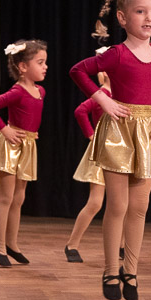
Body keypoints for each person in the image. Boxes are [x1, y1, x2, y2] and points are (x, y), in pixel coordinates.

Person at [69, 0, 151, 300]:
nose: (149, 18)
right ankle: (110, 270)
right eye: (140, 11)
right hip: (119, 132)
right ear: (122, 17)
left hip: (148, 131)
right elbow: (78, 71)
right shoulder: (116, 54)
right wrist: (102, 99)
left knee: (140, 207)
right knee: (118, 206)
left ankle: (131, 270)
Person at [0, 39, 47, 267]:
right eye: (40, 62)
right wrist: (5, 129)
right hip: (10, 147)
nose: (45, 67)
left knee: (19, 198)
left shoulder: (40, 91)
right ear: (23, 67)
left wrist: (31, 133)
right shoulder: (17, 91)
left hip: (27, 146)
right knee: (6, 198)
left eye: (45, 62)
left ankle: (12, 244)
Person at [64, 47, 115, 263]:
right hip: (102, 152)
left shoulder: (120, 94)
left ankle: (121, 245)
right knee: (95, 202)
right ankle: (72, 244)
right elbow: (80, 111)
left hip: (119, 152)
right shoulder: (103, 94)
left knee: (121, 203)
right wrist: (92, 135)